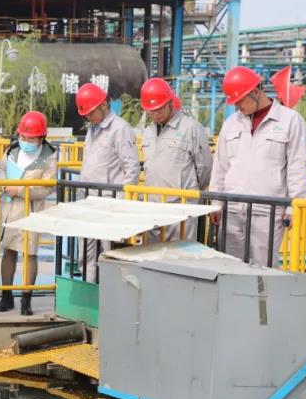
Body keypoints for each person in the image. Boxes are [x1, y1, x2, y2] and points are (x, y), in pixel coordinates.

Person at [209, 66, 306, 267]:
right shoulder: (231, 123)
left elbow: (297, 167)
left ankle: (264, 300)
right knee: (229, 266)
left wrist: (295, 206)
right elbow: (220, 166)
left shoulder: (290, 121)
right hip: (232, 208)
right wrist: (215, 202)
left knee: (263, 269)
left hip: (268, 210)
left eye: (240, 100)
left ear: (256, 91)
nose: (237, 105)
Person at [0, 111, 56, 316]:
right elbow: (0, 171)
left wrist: (20, 190)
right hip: (9, 208)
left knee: (30, 253)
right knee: (8, 250)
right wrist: (5, 184)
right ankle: (6, 295)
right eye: (23, 137)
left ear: (41, 137)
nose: (26, 141)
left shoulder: (49, 156)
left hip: (31, 210)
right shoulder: (11, 150)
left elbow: (47, 187)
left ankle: (26, 298)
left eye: (31, 138)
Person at [76, 81, 139, 281]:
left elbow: (131, 168)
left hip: (110, 202)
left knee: (110, 255)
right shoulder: (92, 128)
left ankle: (111, 299)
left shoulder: (120, 128)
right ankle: (89, 297)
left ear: (104, 104)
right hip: (89, 200)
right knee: (85, 255)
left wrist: (122, 202)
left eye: (91, 112)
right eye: (85, 114)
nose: (88, 117)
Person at [139, 78, 212, 242]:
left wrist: (189, 193)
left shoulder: (190, 128)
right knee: (152, 256)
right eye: (151, 110)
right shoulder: (148, 131)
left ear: (170, 102)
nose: (155, 114)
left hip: (181, 206)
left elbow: (205, 168)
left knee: (179, 257)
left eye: (159, 109)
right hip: (153, 205)